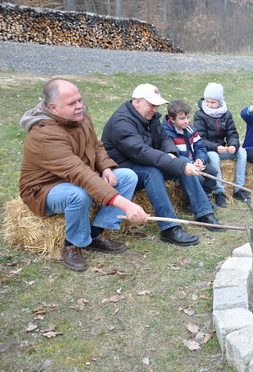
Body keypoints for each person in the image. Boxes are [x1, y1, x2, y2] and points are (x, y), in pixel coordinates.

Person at [19, 78, 149, 271]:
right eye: (72, 103)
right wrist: (126, 205)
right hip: (44, 189)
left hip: (77, 176)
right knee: (77, 194)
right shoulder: (44, 134)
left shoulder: (79, 117)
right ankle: (73, 245)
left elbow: (95, 146)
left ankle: (95, 235)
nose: (80, 106)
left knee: (127, 176)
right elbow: (80, 174)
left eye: (80, 100)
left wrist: (105, 168)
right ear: (53, 107)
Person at [102, 84, 224, 244]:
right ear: (137, 101)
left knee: (184, 160)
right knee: (153, 172)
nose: (155, 109)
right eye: (152, 105)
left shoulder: (150, 118)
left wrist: (172, 155)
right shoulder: (122, 122)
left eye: (157, 105)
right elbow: (140, 151)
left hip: (145, 161)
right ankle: (169, 228)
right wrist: (177, 165)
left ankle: (203, 212)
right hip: (126, 169)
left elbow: (164, 138)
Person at [193, 83, 249, 207]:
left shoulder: (226, 114)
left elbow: (232, 133)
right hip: (208, 150)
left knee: (243, 152)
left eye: (212, 102)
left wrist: (233, 145)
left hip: (223, 148)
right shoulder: (200, 115)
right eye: (207, 101)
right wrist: (215, 147)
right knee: (213, 156)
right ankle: (219, 192)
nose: (208, 105)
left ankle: (239, 188)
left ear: (220, 101)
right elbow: (200, 138)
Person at [162, 100, 220, 210]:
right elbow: (174, 155)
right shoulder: (166, 133)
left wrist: (200, 160)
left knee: (212, 171)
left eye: (188, 117)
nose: (186, 121)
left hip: (194, 162)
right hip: (179, 167)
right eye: (182, 118)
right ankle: (193, 202)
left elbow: (200, 147)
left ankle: (206, 196)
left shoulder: (190, 130)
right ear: (172, 119)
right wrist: (192, 164)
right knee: (196, 177)